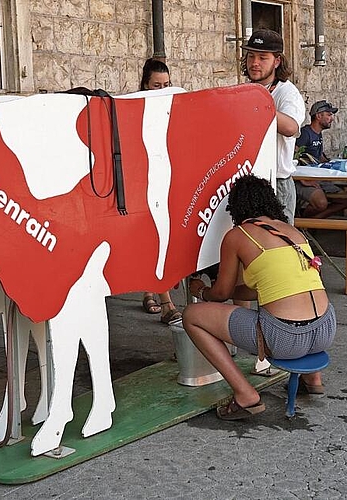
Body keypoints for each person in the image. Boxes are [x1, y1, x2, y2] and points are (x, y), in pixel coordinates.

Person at [183, 175, 336, 420]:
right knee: (296, 302)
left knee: (191, 316)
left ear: (237, 207)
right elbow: (271, 289)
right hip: (325, 330)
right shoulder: (292, 232)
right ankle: (313, 378)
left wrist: (201, 291)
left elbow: (220, 294)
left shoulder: (238, 235)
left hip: (285, 338)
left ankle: (246, 395)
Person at [241, 29, 305, 225]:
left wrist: (259, 106)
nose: (254, 63)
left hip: (277, 184)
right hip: (249, 182)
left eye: (262, 57)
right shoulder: (245, 90)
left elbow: (291, 128)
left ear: (277, 61)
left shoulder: (287, 92)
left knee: (279, 248)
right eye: (251, 56)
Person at [139, 58, 181, 324]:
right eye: (157, 85)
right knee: (154, 238)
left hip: (166, 177)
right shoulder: (136, 107)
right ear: (145, 85)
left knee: (161, 239)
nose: (162, 89)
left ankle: (151, 291)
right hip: (144, 179)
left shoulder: (172, 108)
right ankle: (166, 302)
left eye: (166, 85)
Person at [294, 101, 347, 218]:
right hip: (303, 179)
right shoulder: (305, 133)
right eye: (329, 115)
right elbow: (292, 155)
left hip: (318, 177)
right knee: (321, 203)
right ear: (318, 116)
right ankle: (303, 222)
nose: (332, 119)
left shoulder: (318, 134)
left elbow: (319, 157)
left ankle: (311, 223)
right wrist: (302, 180)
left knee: (346, 200)